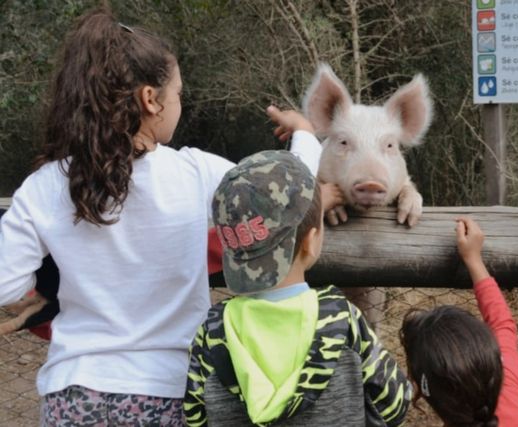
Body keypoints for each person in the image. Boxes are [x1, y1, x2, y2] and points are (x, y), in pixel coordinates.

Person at [0, 7, 322, 425]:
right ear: (151, 100)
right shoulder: (194, 172)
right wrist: (306, 136)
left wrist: (56, 275)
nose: (179, 104)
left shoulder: (46, 184)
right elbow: (285, 193)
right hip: (169, 392)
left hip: (74, 392)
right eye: (178, 94)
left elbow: (6, 284)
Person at [183, 150, 410, 427]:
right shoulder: (342, 319)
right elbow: (394, 405)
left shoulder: (212, 332)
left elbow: (195, 418)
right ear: (311, 241)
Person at [400, 217, 518, 427]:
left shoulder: (506, 379)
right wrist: (474, 260)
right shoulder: (508, 385)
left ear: (424, 390)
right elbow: (501, 323)